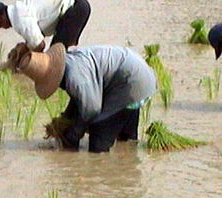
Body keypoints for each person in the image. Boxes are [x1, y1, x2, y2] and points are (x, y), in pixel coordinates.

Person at [15, 43, 157, 153]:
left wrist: (74, 133)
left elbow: (92, 109)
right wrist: (66, 118)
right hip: (136, 75)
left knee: (98, 140)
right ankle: (129, 159)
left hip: (131, 83)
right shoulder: (70, 61)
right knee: (126, 142)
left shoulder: (76, 78)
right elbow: (80, 99)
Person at [0, 0, 91, 52]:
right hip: (77, 3)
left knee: (56, 55)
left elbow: (39, 45)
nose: (1, 28)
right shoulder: (18, 9)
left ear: (1, 16)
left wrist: (23, 60)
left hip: (75, 9)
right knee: (59, 52)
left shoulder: (20, 19)